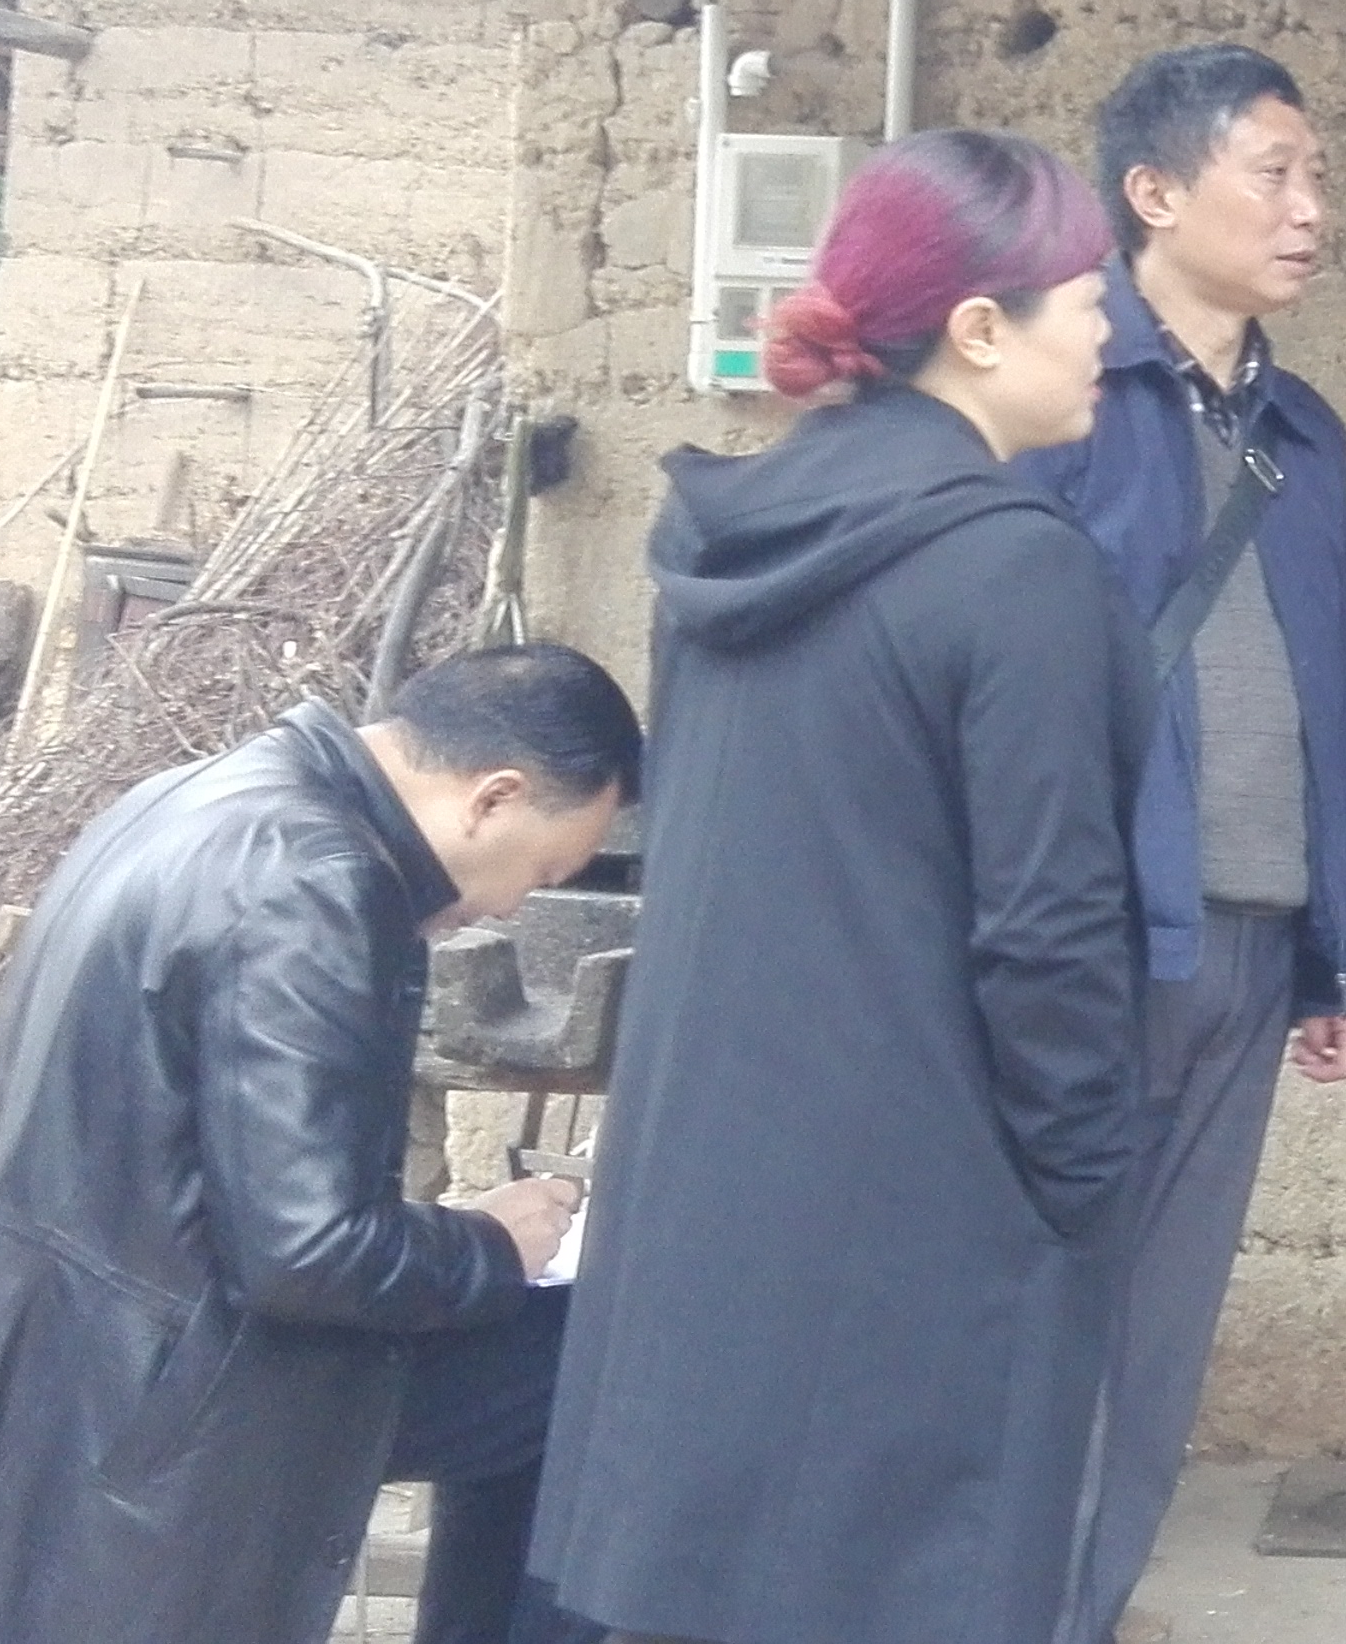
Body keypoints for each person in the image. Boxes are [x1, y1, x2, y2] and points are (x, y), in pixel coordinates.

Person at [531, 129, 1152, 1644]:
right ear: (981, 327)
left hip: (712, 1174)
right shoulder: (1015, 569)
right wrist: (1086, 1179)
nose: (1108, 335)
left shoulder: (721, 540)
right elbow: (1049, 927)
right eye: (1087, 301)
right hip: (924, 1194)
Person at [0, 645, 641, 1644]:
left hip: (59, 1338)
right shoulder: (318, 880)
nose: (515, 904)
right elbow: (308, 1254)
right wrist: (490, 1245)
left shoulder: (192, 794)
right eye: (543, 871)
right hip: (174, 1390)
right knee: (598, 1373)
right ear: (494, 798)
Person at [1019, 44, 1346, 1644]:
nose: (1311, 211)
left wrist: (1338, 945)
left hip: (1252, 930)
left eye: (1316, 178)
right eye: (1274, 174)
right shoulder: (1060, 396)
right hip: (1097, 932)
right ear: (1155, 194)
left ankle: (1080, 1611)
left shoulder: (1306, 430)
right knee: (1044, 1301)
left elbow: (1330, 694)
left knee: (1158, 1332)